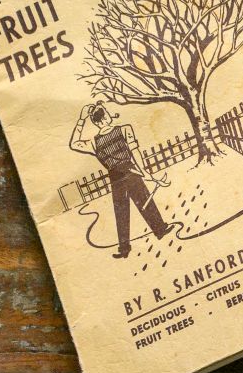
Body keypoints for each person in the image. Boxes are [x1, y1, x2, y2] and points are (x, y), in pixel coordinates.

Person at [69, 101, 172, 258]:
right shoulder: (124, 129)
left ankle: (126, 247)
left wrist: (82, 119)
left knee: (122, 210)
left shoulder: (93, 142)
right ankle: (159, 230)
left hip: (117, 177)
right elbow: (135, 152)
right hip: (129, 172)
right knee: (139, 202)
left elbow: (74, 143)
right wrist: (145, 173)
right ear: (104, 119)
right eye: (107, 112)